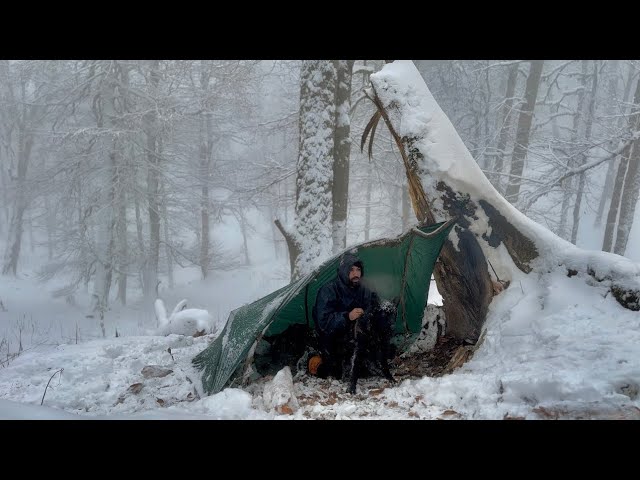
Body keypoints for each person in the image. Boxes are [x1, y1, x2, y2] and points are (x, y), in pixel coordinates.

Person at [309, 252, 396, 391]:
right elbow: (323, 323)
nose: (356, 274)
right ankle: (318, 360)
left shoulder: (366, 288)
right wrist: (347, 316)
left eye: (358, 270)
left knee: (370, 364)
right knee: (333, 373)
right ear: (344, 271)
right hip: (334, 339)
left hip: (359, 336)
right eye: (351, 270)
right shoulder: (329, 290)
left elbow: (374, 307)